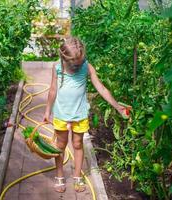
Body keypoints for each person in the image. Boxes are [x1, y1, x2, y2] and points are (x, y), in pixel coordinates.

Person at [43, 37, 130, 193]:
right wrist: (47, 110)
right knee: (60, 146)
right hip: (61, 113)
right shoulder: (57, 67)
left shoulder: (87, 67)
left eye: (80, 62)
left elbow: (101, 88)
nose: (78, 66)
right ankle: (59, 175)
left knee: (77, 145)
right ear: (64, 59)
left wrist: (117, 107)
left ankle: (77, 177)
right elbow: (52, 90)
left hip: (80, 114)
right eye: (74, 64)